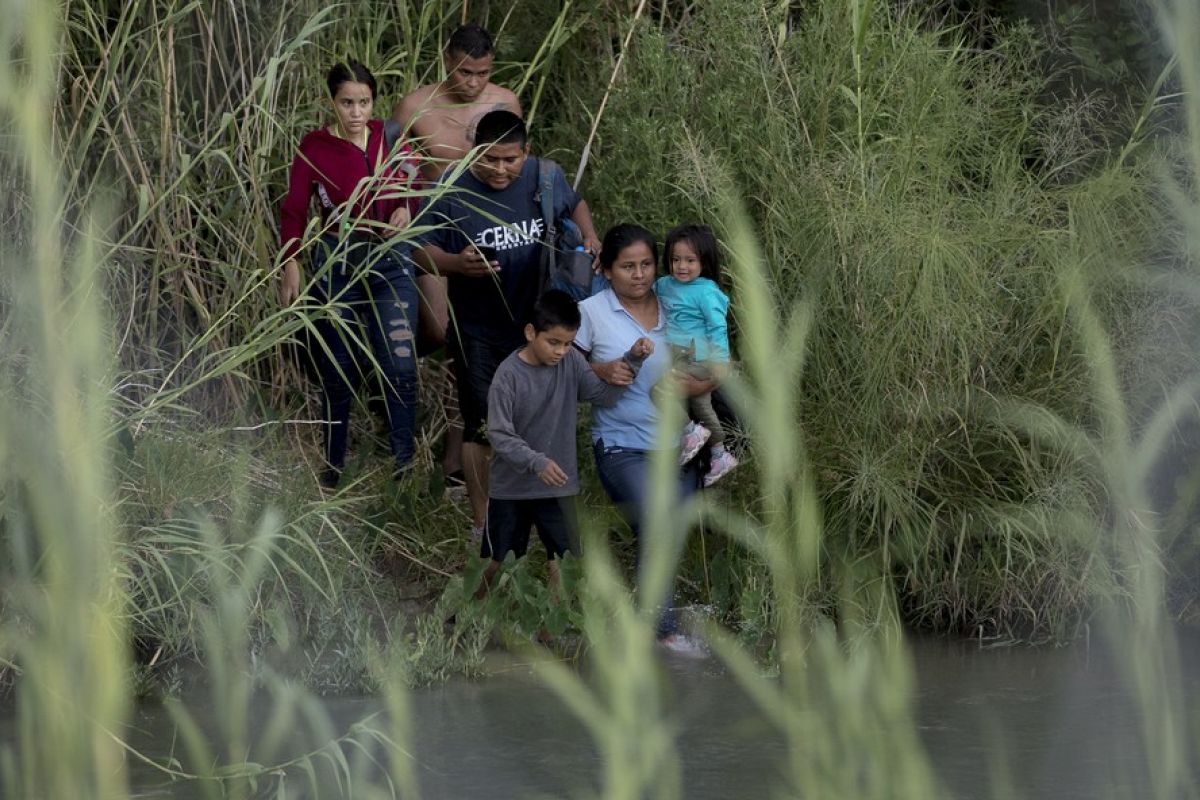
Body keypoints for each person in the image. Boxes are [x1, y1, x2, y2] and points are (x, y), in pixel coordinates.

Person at [414, 109, 601, 540]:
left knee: (541, 420)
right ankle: (484, 524)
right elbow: (417, 249)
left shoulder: (545, 176)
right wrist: (453, 263)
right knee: (481, 427)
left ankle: (543, 514)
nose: (500, 169)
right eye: (490, 159)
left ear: (526, 154)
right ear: (474, 150)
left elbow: (575, 203)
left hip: (536, 326)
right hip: (478, 330)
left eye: (510, 160)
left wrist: (589, 237)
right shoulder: (452, 188)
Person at [278, 60, 422, 487]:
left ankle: (403, 470)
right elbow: (295, 210)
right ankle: (333, 467)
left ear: (373, 102)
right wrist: (291, 263)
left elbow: (415, 177)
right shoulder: (315, 147)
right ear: (332, 102)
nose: (357, 112)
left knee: (399, 365)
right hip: (338, 262)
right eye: (347, 103)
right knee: (337, 368)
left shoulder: (388, 137)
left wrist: (404, 207)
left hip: (391, 261)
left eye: (364, 102)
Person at [391, 24, 522, 485]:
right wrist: (400, 210)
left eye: (482, 73)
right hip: (434, 227)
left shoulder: (504, 102)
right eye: (465, 72)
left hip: (488, 228)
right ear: (447, 59)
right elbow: (394, 168)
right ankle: (386, 371)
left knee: (464, 341)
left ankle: (454, 459)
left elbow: (518, 162)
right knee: (439, 329)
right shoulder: (414, 106)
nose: (473, 83)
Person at [574, 224, 710, 655]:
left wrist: (691, 382)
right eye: (627, 267)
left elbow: (713, 362)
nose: (639, 275)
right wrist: (600, 370)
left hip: (681, 445)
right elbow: (560, 370)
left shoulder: (678, 301)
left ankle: (650, 622)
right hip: (620, 443)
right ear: (607, 270)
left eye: (646, 264)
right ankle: (662, 632)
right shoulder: (591, 312)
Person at [477, 290, 652, 599]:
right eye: (553, 342)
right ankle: (465, 615)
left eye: (568, 343)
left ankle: (549, 639)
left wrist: (633, 362)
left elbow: (602, 395)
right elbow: (499, 434)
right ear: (531, 332)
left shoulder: (571, 362)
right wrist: (537, 462)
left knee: (564, 563)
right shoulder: (508, 376)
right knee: (496, 563)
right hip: (512, 489)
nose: (561, 351)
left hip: (559, 487)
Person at [655, 224, 738, 486]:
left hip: (699, 359)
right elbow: (648, 292)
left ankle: (690, 432)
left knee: (660, 391)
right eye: (675, 259)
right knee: (702, 405)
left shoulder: (706, 291)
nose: (682, 266)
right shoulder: (665, 285)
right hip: (680, 356)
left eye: (690, 260)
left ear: (704, 261)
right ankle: (719, 454)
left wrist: (720, 363)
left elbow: (717, 327)